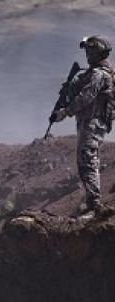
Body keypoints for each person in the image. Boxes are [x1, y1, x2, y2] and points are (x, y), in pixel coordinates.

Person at [50, 36, 115, 215]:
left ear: (97, 52)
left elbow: (86, 97)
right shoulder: (98, 72)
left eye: (89, 51)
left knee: (88, 161)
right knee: (85, 161)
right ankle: (92, 203)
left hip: (92, 124)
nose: (87, 55)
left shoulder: (98, 74)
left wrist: (65, 112)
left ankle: (94, 205)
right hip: (92, 123)